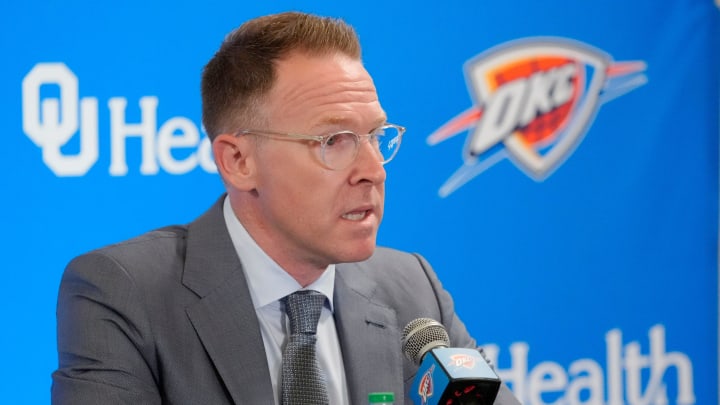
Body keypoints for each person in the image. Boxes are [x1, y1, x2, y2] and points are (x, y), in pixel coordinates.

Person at [52, 11, 520, 405]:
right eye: (334, 140)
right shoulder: (125, 292)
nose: (373, 169)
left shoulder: (412, 287)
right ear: (238, 162)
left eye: (377, 137)